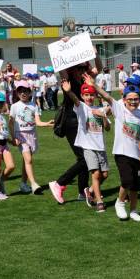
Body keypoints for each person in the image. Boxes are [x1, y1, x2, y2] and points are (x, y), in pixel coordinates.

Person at [49, 61, 100, 205]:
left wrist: (95, 54)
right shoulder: (68, 80)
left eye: (84, 68)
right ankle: (59, 183)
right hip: (71, 123)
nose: (82, 71)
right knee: (84, 159)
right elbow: (62, 70)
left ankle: (82, 191)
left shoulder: (86, 80)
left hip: (82, 124)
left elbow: (99, 69)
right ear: (73, 69)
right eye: (79, 68)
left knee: (82, 158)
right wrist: (62, 51)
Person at [94, 81, 140, 222]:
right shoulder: (119, 109)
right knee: (127, 180)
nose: (133, 102)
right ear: (124, 100)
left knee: (136, 185)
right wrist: (94, 84)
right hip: (122, 152)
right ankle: (120, 202)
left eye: (136, 99)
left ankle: (134, 210)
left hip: (136, 154)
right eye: (130, 99)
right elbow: (106, 96)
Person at [62, 80, 111, 212]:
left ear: (95, 96)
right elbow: (75, 100)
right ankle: (99, 201)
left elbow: (107, 128)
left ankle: (89, 190)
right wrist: (69, 91)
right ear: (83, 96)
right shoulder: (82, 107)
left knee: (105, 175)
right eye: (86, 95)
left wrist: (104, 116)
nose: (89, 97)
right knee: (95, 174)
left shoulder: (99, 109)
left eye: (91, 95)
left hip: (100, 147)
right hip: (88, 146)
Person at [9, 80, 53, 194]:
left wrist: (47, 124)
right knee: (28, 159)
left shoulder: (34, 105)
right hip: (21, 135)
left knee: (26, 161)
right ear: (17, 93)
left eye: (25, 91)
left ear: (30, 92)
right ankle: (33, 184)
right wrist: (13, 137)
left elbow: (38, 122)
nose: (23, 93)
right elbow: (10, 123)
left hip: (32, 135)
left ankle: (23, 184)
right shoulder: (14, 106)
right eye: (20, 91)